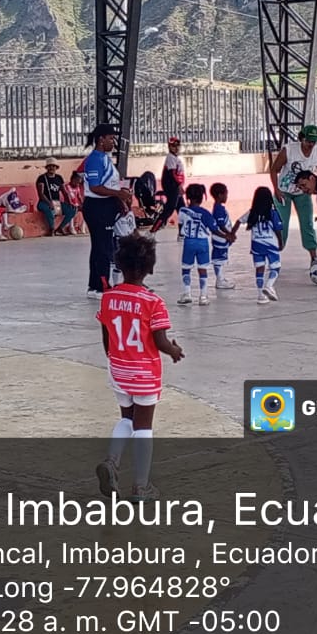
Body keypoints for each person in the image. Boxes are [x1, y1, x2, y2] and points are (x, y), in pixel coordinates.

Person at [93, 232, 184, 503]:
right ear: (150, 268)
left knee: (126, 419)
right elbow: (160, 341)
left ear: (120, 264)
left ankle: (112, 461)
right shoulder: (153, 302)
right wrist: (174, 351)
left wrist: (113, 358)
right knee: (143, 427)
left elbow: (107, 335)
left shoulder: (108, 297)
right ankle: (141, 487)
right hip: (144, 373)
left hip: (118, 369)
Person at [82, 123, 134, 298]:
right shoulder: (94, 160)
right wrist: (118, 194)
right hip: (97, 207)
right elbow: (95, 187)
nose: (113, 142)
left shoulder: (105, 159)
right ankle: (101, 286)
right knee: (103, 248)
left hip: (107, 205)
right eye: (111, 138)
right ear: (101, 139)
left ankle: (94, 285)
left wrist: (120, 198)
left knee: (100, 246)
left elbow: (110, 183)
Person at [267, 124, 317, 265]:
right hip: (284, 192)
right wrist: (276, 189)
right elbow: (274, 169)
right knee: (281, 224)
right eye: (308, 141)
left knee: (307, 224)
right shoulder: (289, 150)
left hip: (303, 193)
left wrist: (315, 189)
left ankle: (313, 257)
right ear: (302, 138)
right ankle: (274, 255)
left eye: (314, 142)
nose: (311, 145)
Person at [175, 183, 218, 306]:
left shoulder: (183, 211)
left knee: (186, 268)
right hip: (203, 243)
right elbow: (214, 229)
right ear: (201, 198)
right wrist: (227, 236)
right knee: (202, 269)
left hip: (189, 242)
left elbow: (181, 225)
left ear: (188, 197)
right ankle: (203, 296)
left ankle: (187, 294)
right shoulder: (205, 213)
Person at [241, 186, 284, 305]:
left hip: (257, 244)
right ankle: (269, 285)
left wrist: (231, 234)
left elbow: (239, 221)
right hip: (270, 244)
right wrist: (280, 242)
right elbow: (278, 229)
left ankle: (260, 295)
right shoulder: (272, 212)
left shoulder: (252, 212)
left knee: (259, 268)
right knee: (275, 267)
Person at [208, 182, 237, 291]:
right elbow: (220, 224)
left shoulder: (219, 207)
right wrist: (228, 234)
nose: (226, 196)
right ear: (220, 195)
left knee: (221, 257)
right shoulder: (219, 209)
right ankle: (220, 280)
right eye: (226, 194)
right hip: (220, 238)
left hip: (222, 238)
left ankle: (221, 278)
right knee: (219, 258)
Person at [153, 137, 186, 233]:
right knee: (169, 209)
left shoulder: (175, 158)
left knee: (182, 210)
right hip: (172, 187)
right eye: (173, 146)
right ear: (169, 147)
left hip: (176, 187)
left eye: (177, 146)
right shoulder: (170, 158)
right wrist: (179, 186)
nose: (176, 148)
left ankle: (182, 233)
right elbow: (172, 175)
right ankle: (153, 230)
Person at [35, 158, 74, 236]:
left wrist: (69, 202)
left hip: (56, 203)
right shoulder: (42, 178)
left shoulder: (59, 178)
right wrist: (49, 203)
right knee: (48, 209)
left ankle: (60, 228)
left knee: (72, 210)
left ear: (56, 168)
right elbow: (41, 194)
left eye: (53, 166)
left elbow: (64, 192)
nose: (51, 168)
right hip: (43, 202)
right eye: (49, 166)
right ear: (46, 167)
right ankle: (51, 229)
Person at [64, 170, 86, 235]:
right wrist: (73, 204)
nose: (78, 184)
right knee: (73, 209)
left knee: (87, 210)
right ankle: (71, 227)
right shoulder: (67, 186)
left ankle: (82, 226)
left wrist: (83, 204)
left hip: (76, 204)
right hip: (68, 204)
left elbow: (79, 196)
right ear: (73, 180)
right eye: (77, 182)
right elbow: (68, 196)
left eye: (79, 183)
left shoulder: (77, 187)